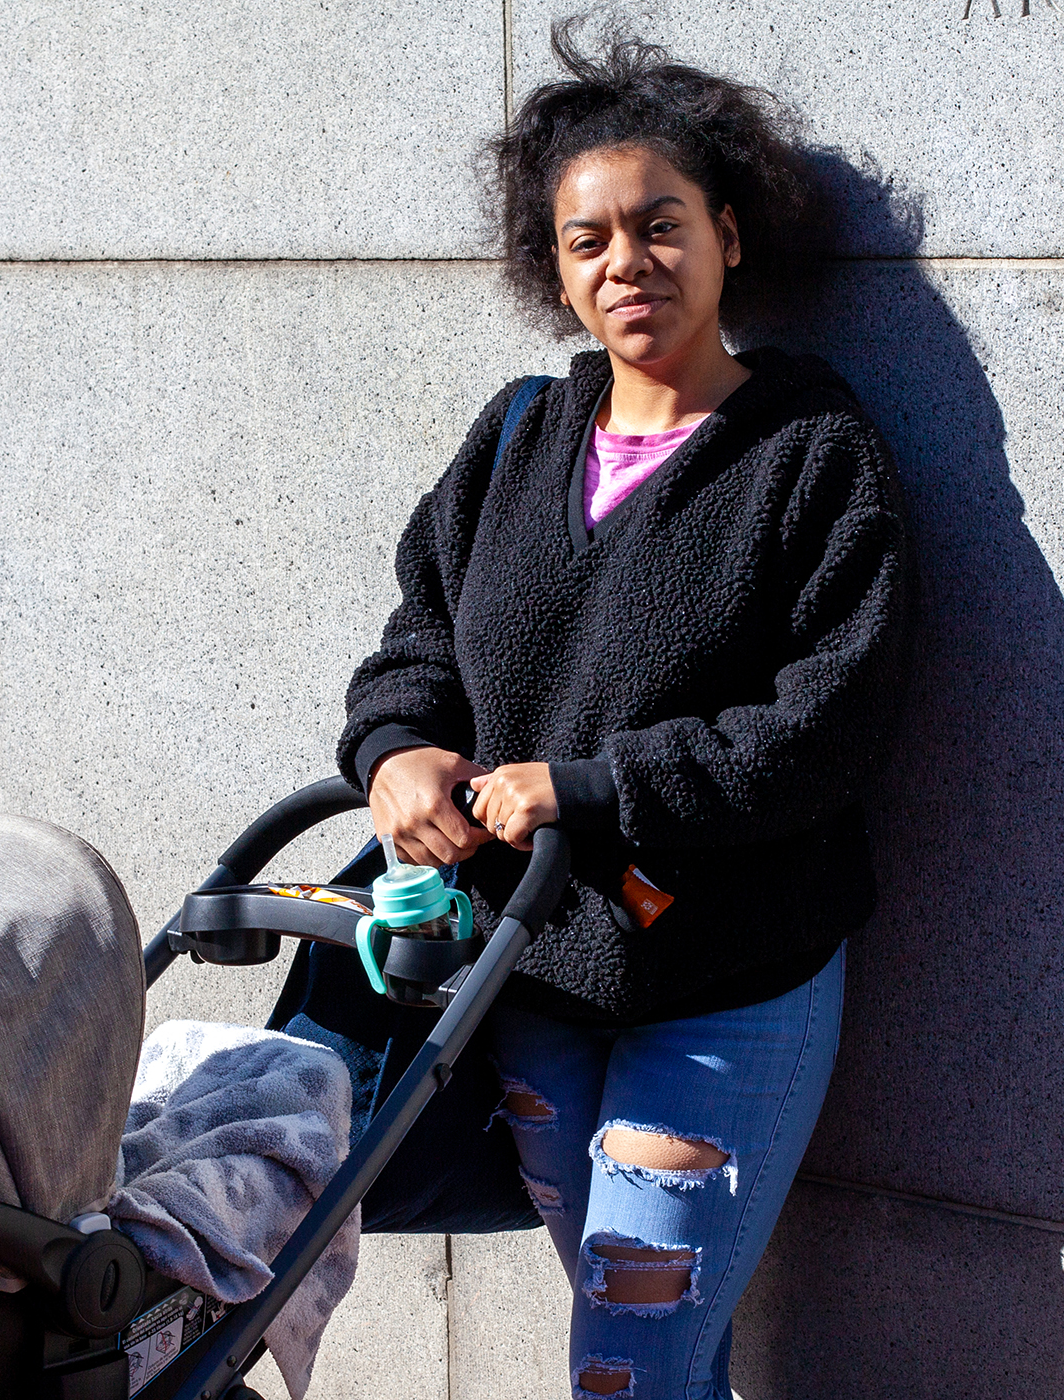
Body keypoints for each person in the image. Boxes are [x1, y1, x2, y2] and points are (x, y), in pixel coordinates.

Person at [335, 28, 911, 1400]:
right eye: (587, 240)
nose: (624, 264)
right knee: (650, 1351)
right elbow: (420, 633)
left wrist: (591, 786)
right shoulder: (521, 434)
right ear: (556, 265)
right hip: (530, 967)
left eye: (659, 226)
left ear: (727, 229)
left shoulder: (814, 453)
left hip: (725, 982)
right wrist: (397, 749)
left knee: (628, 1359)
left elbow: (830, 726)